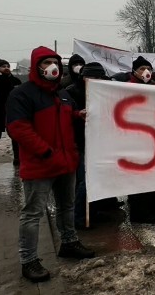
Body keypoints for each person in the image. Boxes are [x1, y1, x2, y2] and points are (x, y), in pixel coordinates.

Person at [6, 46, 94, 283]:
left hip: (66, 163)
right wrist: (45, 152)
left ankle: (69, 242)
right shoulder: (22, 94)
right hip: (40, 166)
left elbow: (71, 114)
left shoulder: (62, 94)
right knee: (33, 213)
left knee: (67, 206)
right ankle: (29, 260)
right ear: (37, 67)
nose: (51, 67)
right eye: (45, 63)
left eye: (54, 62)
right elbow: (18, 128)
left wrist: (79, 115)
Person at [115, 57, 155, 223]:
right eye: (142, 68)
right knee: (139, 177)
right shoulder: (127, 88)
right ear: (134, 71)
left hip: (154, 138)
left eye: (149, 68)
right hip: (136, 138)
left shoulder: (154, 87)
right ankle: (140, 213)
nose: (146, 72)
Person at [65, 62, 116, 229]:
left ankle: (93, 212)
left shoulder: (105, 91)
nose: (93, 80)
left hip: (99, 141)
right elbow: (67, 118)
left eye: (97, 77)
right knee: (84, 182)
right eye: (90, 76)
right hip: (80, 142)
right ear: (83, 76)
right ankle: (79, 218)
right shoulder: (71, 92)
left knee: (97, 178)